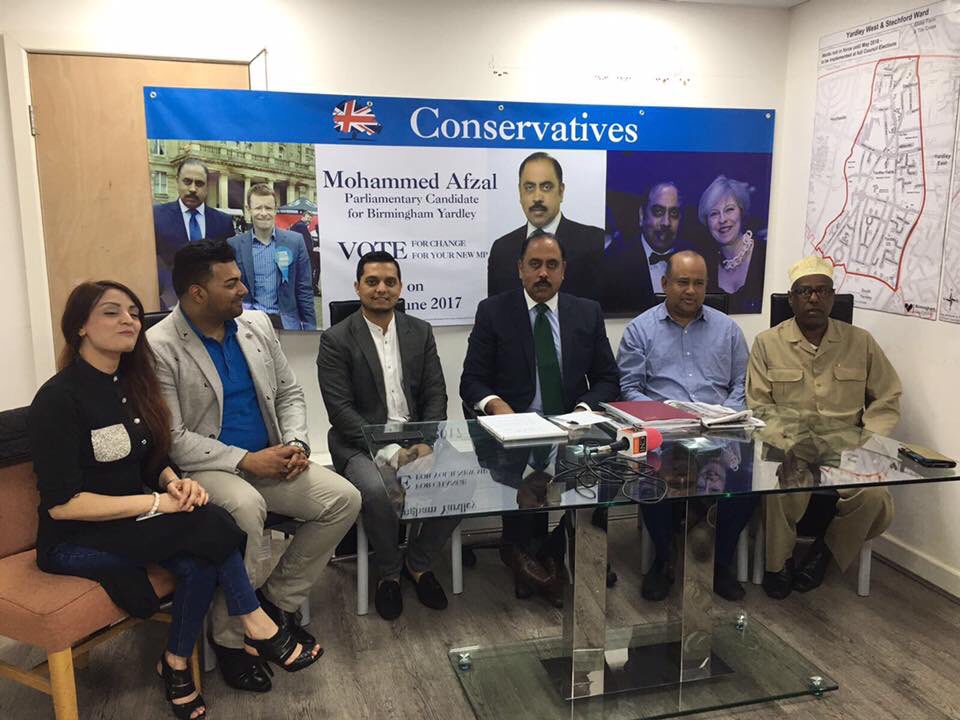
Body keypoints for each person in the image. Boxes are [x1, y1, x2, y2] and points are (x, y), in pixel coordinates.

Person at [28, 281, 321, 719]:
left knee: (201, 552)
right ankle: (254, 619)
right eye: (111, 312)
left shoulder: (129, 384)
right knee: (213, 524)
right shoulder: (58, 399)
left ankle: (175, 662)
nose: (128, 320)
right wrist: (155, 505)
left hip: (128, 523)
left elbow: (151, 458)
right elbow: (62, 505)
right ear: (80, 327)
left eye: (133, 312)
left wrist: (171, 482)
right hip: (75, 536)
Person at [148, 240, 360, 692]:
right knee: (245, 509)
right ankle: (229, 639)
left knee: (344, 499)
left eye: (240, 280)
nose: (244, 289)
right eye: (231, 283)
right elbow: (175, 439)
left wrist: (296, 443)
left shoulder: (256, 325)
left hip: (271, 458)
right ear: (196, 293)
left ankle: (273, 603)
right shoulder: (159, 346)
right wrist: (246, 459)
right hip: (207, 469)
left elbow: (289, 393)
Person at [461, 232, 619, 605]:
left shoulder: (587, 312)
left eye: (551, 265)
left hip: (569, 430)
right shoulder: (493, 312)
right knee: (522, 473)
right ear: (520, 269)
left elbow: (607, 378)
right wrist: (497, 406)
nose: (543, 273)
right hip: (516, 429)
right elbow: (472, 381)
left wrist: (582, 411)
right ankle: (528, 553)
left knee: (612, 471)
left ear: (564, 270)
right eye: (535, 264)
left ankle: (551, 549)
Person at [747, 255, 901, 599]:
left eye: (822, 291)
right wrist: (783, 441)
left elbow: (888, 397)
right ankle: (778, 564)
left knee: (875, 495)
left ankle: (824, 553)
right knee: (776, 484)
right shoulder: (767, 343)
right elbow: (759, 406)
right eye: (805, 291)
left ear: (833, 298)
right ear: (791, 299)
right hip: (790, 445)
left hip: (845, 448)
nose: (814, 298)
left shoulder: (861, 342)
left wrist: (869, 442)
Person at [316, 250, 458, 620]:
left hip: (417, 438)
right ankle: (389, 573)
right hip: (359, 444)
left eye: (389, 282)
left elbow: (436, 394)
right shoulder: (336, 339)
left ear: (400, 287)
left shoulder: (419, 331)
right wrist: (393, 453)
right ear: (357, 287)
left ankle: (418, 562)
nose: (381, 289)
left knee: (464, 478)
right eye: (372, 281)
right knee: (378, 491)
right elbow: (340, 411)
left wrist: (426, 443)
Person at [617, 251, 753, 601]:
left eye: (698, 283)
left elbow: (742, 384)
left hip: (720, 433)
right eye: (682, 282)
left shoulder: (728, 330)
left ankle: (720, 563)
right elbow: (630, 387)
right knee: (650, 479)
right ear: (665, 284)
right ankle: (664, 559)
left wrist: (724, 417)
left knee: (747, 485)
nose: (691, 290)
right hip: (664, 435)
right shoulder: (640, 330)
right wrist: (664, 418)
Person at [488, 152, 604, 302]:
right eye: (529, 187)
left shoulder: (595, 243)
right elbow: (495, 311)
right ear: (520, 192)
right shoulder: (501, 250)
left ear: (561, 192)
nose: (537, 198)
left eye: (546, 187)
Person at [228, 185, 317, 331]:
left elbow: (304, 289)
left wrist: (310, 329)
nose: (264, 213)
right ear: (248, 209)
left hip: (286, 324)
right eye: (258, 208)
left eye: (268, 208)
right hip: (248, 324)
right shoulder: (234, 245)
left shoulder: (295, 242)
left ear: (275, 209)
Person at [154, 159, 235, 310]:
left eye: (199, 183)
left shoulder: (223, 222)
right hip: (170, 305)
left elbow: (227, 266)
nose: (192, 189)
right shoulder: (157, 217)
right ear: (177, 181)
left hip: (212, 306)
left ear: (207, 186)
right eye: (187, 182)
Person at [604, 181, 694, 314]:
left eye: (673, 213)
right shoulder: (614, 262)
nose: (666, 222)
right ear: (642, 215)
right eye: (658, 212)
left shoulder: (694, 259)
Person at [698, 175, 768, 314]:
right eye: (714, 214)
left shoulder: (765, 255)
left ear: (742, 212)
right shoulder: (704, 266)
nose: (722, 219)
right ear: (707, 222)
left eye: (729, 209)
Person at [290, 210, 320, 297]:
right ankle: (311, 289)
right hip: (305, 253)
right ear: (302, 217)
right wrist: (312, 248)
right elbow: (307, 242)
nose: (309, 220)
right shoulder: (301, 226)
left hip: (302, 252)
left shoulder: (301, 225)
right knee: (310, 270)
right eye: (307, 218)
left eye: (310, 218)